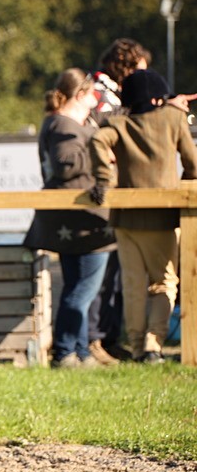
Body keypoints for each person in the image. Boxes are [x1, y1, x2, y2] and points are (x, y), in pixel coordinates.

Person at [89, 68, 197, 363]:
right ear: (157, 97)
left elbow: (98, 141)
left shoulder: (120, 124)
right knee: (164, 283)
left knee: (133, 285)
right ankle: (153, 343)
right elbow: (193, 164)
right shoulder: (173, 119)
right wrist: (186, 189)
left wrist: (102, 178)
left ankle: (136, 346)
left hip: (125, 219)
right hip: (162, 218)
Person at [22, 69, 114, 368]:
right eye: (91, 94)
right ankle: (65, 351)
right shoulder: (63, 124)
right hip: (83, 222)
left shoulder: (61, 122)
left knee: (78, 287)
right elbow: (65, 164)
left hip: (73, 220)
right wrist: (101, 154)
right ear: (80, 95)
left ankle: (78, 351)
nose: (95, 99)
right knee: (83, 290)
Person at [87, 39, 151, 363]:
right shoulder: (99, 93)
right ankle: (94, 340)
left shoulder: (116, 94)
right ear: (124, 66)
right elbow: (97, 141)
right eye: (139, 69)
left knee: (115, 268)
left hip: (118, 189)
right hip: (100, 190)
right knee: (100, 268)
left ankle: (110, 337)